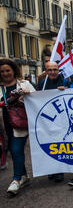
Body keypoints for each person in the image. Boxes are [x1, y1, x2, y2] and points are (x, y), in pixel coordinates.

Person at [0, 59, 36, 197]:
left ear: (13, 70)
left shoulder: (25, 84)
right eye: (2, 71)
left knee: (16, 149)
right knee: (11, 149)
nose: (5, 73)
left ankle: (16, 179)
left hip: (21, 123)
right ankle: (24, 176)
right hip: (4, 125)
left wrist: (27, 94)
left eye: (7, 70)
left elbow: (37, 100)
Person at [38, 61, 69, 183]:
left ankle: (59, 170)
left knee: (59, 144)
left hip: (62, 118)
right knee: (49, 143)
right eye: (49, 70)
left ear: (58, 70)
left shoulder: (65, 81)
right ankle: (51, 169)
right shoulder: (42, 83)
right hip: (48, 118)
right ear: (45, 71)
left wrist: (66, 90)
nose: (52, 72)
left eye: (55, 69)